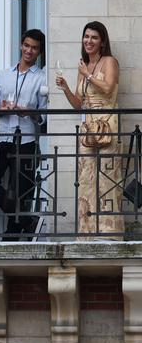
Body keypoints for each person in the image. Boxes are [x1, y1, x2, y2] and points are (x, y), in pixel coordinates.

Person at [56, 21, 123, 239]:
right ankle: (87, 232)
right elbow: (78, 103)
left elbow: (109, 87)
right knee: (85, 179)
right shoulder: (82, 66)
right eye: (86, 37)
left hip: (107, 123)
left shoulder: (109, 61)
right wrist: (65, 87)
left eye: (94, 37)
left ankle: (109, 232)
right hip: (88, 129)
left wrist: (88, 75)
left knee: (107, 177)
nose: (89, 41)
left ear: (102, 42)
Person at [0, 29, 47, 238]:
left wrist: (29, 112)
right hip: (2, 137)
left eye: (34, 48)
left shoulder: (42, 78)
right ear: (20, 45)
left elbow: (43, 115)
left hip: (26, 138)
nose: (29, 50)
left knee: (20, 189)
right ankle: (26, 220)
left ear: (39, 52)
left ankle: (12, 232)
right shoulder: (2, 75)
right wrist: (0, 109)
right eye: (26, 45)